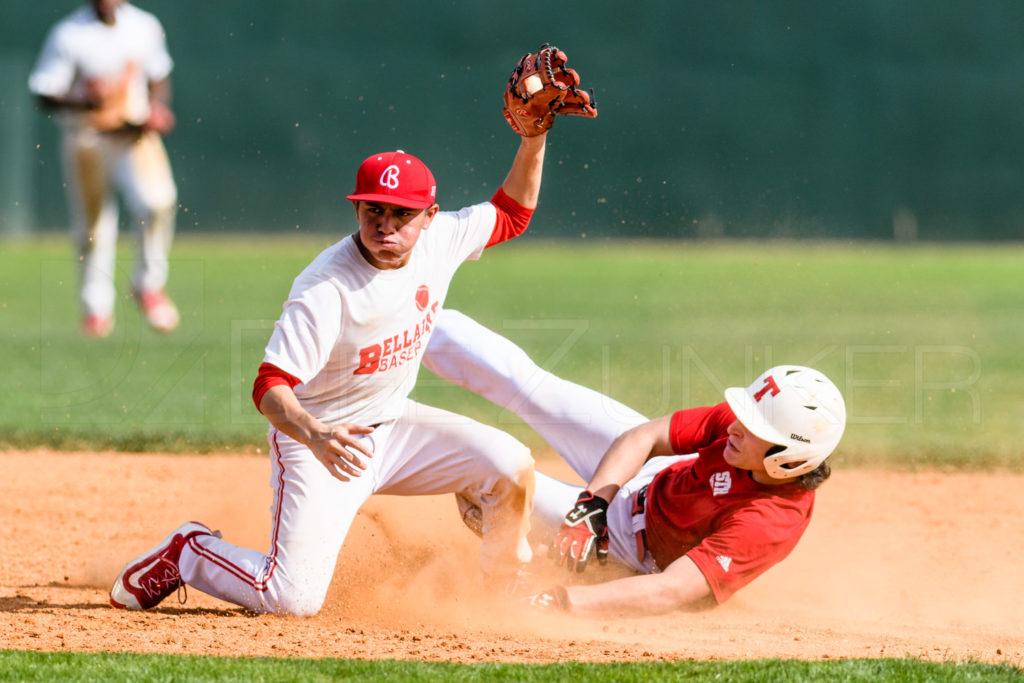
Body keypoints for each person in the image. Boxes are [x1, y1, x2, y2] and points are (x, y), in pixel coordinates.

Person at [108, 130, 577, 614]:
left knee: (510, 464)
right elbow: (269, 386)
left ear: (429, 218)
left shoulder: (444, 239)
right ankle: (190, 552)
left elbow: (511, 214)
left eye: (402, 213)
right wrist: (313, 433)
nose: (386, 225)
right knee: (292, 598)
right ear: (357, 210)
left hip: (396, 425)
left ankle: (497, 598)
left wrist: (534, 139)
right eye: (374, 209)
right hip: (321, 439)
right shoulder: (326, 287)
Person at [422, 309, 847, 616]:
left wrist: (561, 602)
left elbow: (671, 589)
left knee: (485, 474)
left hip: (631, 550)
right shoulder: (746, 427)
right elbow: (647, 437)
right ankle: (413, 320)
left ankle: (520, 570)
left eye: (755, 428)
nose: (736, 425)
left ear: (787, 458)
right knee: (531, 386)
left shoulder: (768, 522)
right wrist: (592, 505)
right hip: (650, 477)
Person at [28, 0, 180, 337]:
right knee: (93, 227)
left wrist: (157, 107)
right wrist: (83, 100)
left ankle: (147, 284)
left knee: (157, 202)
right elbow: (43, 91)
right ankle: (96, 309)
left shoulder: (144, 25)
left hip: (132, 135)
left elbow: (158, 75)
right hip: (87, 137)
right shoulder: (69, 33)